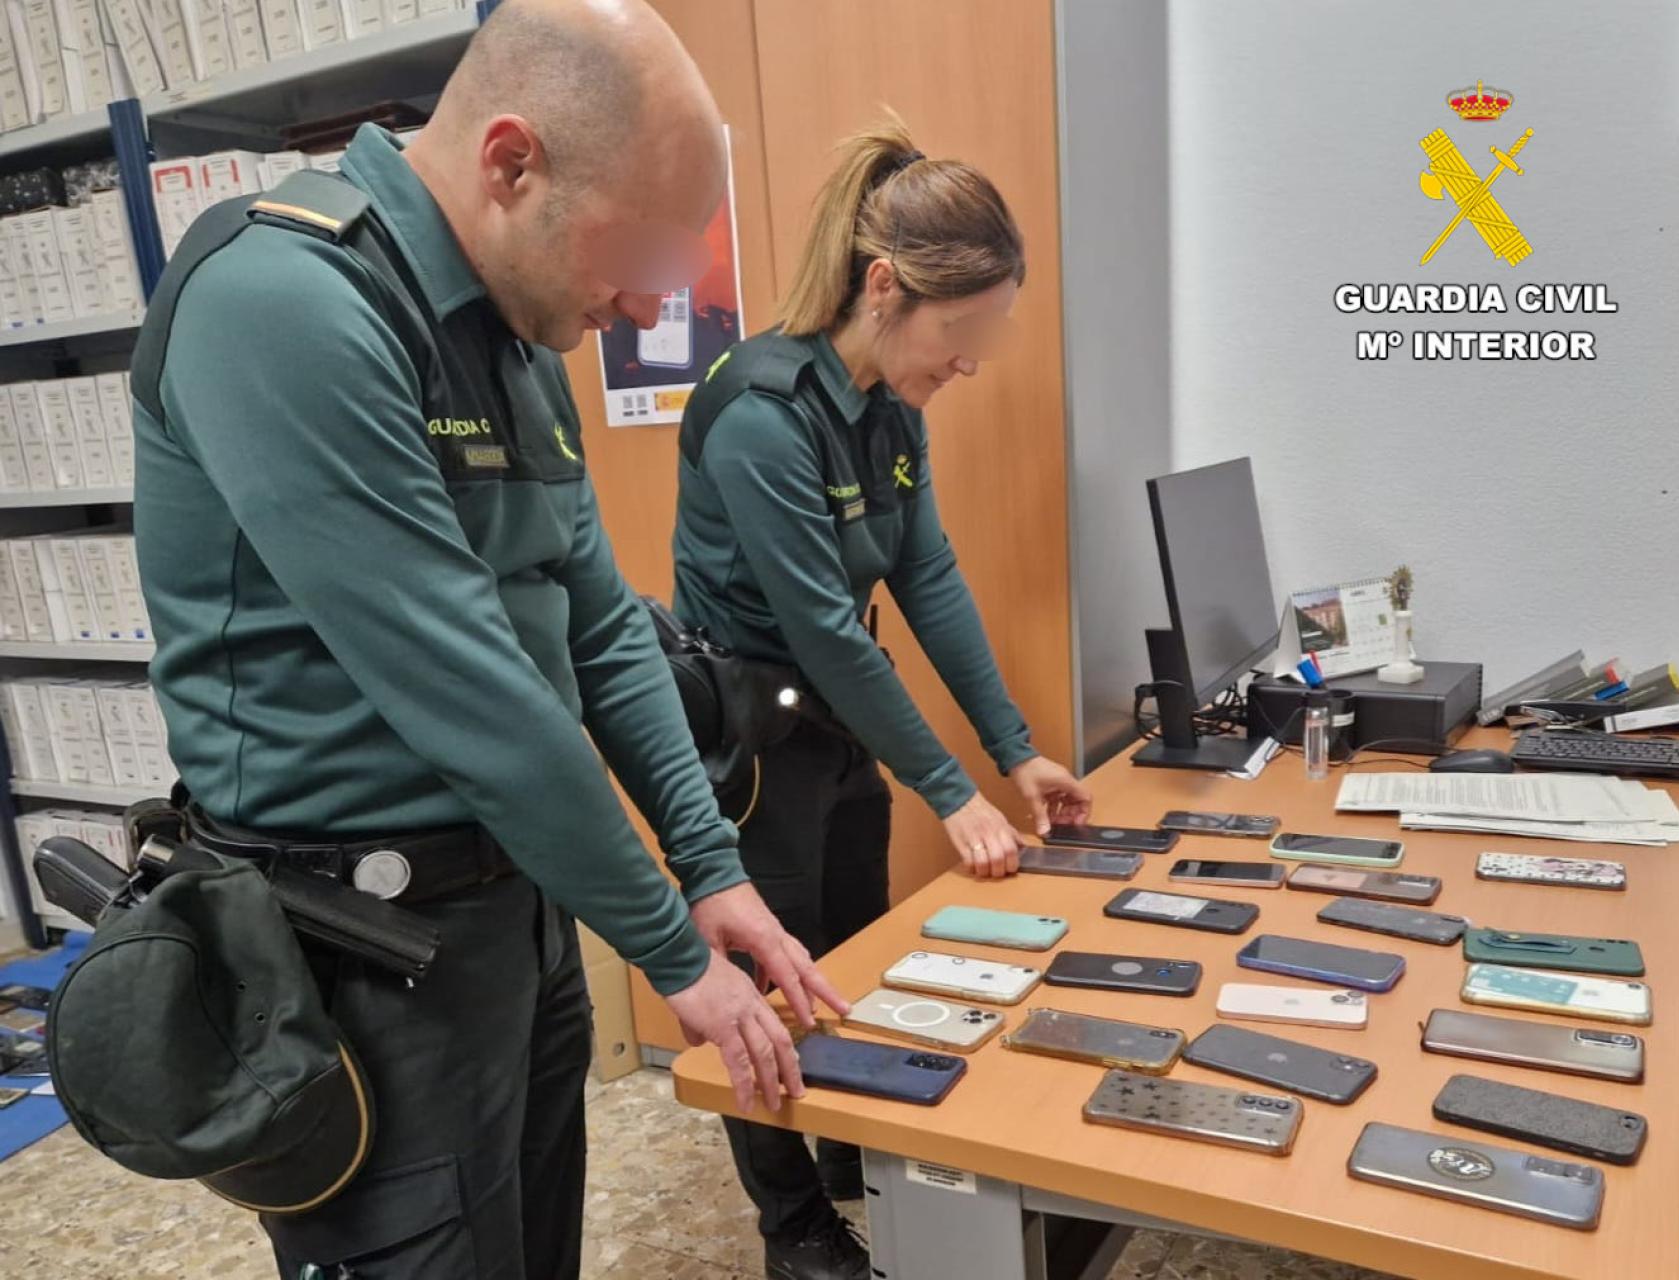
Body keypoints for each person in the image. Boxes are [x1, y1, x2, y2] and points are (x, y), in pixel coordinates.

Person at [129, 2, 845, 1277]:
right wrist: (673, 950)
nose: (639, 303)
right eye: (632, 253)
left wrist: (709, 865)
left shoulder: (514, 327)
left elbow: (602, 632)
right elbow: (480, 696)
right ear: (510, 161)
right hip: (359, 948)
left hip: (513, 911)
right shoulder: (283, 297)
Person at [673, 115, 1093, 1280]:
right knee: (769, 974)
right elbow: (818, 624)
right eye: (959, 330)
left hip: (838, 719)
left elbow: (928, 580)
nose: (968, 360)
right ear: (881, 287)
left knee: (849, 947)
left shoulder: (889, 410)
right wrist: (950, 788)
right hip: (751, 732)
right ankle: (791, 1221)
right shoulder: (761, 413)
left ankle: (856, 1144)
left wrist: (1014, 755)